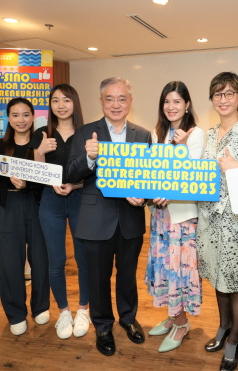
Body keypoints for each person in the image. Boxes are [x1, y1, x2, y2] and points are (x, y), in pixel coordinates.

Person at [66, 77, 152, 357]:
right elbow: (71, 173)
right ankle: (102, 325)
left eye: (122, 98)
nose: (116, 104)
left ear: (130, 101)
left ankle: (128, 318)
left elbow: (151, 176)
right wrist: (89, 158)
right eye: (110, 99)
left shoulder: (142, 134)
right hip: (95, 219)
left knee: (127, 276)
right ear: (101, 101)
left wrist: (146, 194)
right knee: (98, 278)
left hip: (130, 219)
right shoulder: (84, 133)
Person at [196, 71, 238, 371]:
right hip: (208, 221)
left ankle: (235, 338)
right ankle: (223, 327)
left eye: (229, 94)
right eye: (217, 94)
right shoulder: (209, 135)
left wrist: (237, 171)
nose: (223, 99)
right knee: (217, 277)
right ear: (212, 99)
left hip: (237, 224)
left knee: (235, 283)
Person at [0, 97, 50, 336]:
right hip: (10, 206)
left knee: (40, 259)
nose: (21, 120)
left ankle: (40, 307)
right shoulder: (0, 144)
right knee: (11, 261)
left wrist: (27, 183)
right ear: (8, 118)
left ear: (33, 117)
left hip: (38, 204)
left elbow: (48, 175)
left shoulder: (41, 142)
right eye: (16, 115)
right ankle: (16, 313)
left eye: (26, 114)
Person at [144, 81, 206, 353]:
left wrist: (179, 148)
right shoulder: (156, 133)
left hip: (182, 217)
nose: (171, 107)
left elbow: (191, 176)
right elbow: (149, 172)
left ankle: (182, 323)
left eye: (177, 102)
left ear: (187, 105)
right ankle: (172, 316)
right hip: (159, 216)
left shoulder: (196, 134)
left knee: (179, 270)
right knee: (164, 268)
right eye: (167, 102)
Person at [30, 84, 90, 339]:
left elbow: (97, 173)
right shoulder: (41, 134)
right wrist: (40, 153)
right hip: (50, 201)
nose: (61, 105)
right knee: (56, 261)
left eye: (66, 100)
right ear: (50, 105)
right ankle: (64, 311)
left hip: (80, 200)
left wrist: (73, 185)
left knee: (83, 258)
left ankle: (84, 309)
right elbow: (35, 173)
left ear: (75, 103)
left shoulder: (88, 133)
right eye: (55, 101)